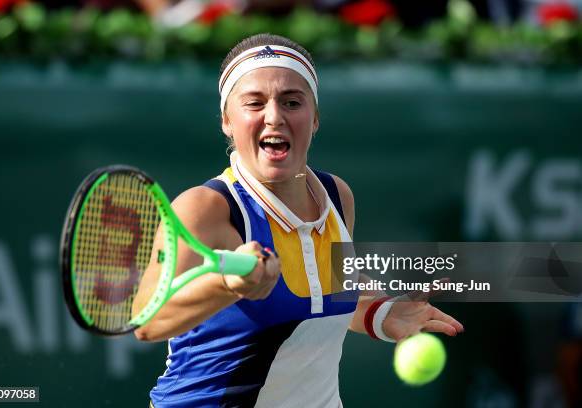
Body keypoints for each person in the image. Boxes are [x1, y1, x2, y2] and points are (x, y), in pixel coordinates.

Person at [133, 33, 464, 407]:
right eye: (254, 103)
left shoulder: (337, 197)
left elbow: (329, 284)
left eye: (292, 102)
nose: (274, 116)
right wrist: (228, 284)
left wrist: (379, 311)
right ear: (227, 120)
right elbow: (148, 322)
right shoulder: (205, 209)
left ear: (315, 117)